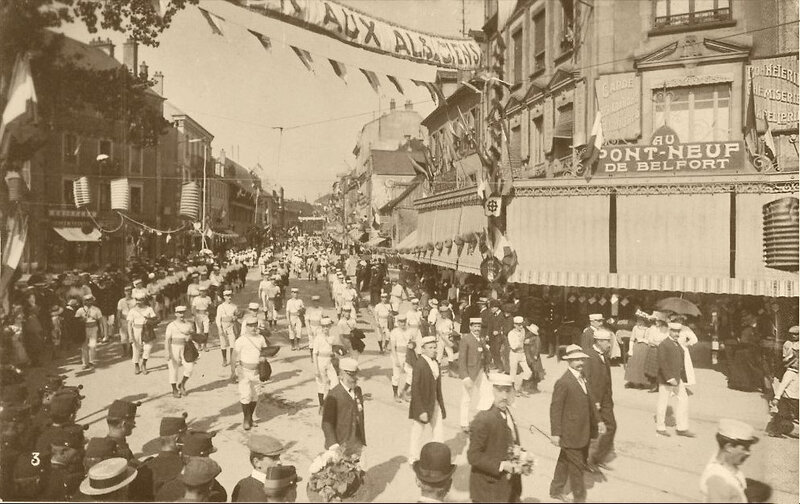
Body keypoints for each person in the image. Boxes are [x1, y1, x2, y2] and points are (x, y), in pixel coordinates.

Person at [549, 344, 598, 503]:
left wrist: (598, 421)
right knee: (577, 467)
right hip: (570, 432)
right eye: (576, 360)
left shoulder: (583, 377)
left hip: (583, 430)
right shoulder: (563, 382)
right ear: (568, 361)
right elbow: (555, 409)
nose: (580, 363)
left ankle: (555, 490)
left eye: (582, 359)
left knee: (564, 461)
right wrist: (556, 433)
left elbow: (590, 401)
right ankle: (579, 498)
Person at [467, 373, 522, 503]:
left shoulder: (506, 412)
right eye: (499, 391)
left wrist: (521, 457)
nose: (504, 396)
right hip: (488, 490)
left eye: (507, 391)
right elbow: (473, 456)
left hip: (507, 487)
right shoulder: (483, 419)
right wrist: (502, 465)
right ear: (490, 391)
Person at [699, 419, 761, 503]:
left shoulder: (726, 463)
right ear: (729, 447)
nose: (748, 453)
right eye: (745, 448)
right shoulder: (718, 481)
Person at [409, 336, 446, 465]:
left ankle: (437, 457)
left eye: (435, 347)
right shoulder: (420, 364)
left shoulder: (435, 362)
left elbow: (437, 387)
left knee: (438, 430)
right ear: (423, 349)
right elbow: (415, 389)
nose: (433, 350)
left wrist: (440, 404)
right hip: (423, 405)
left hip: (435, 402)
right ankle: (413, 457)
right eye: (430, 348)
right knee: (418, 431)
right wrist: (420, 410)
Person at [583, 328, 616, 470]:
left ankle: (597, 458)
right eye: (607, 342)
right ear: (599, 341)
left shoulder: (604, 356)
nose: (609, 344)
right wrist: (593, 401)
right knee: (589, 432)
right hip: (594, 401)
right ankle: (584, 461)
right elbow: (587, 381)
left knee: (611, 427)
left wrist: (609, 398)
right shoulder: (588, 356)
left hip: (606, 400)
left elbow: (607, 379)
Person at [656, 322, 695, 437]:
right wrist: (669, 378)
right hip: (666, 379)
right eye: (674, 331)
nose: (676, 334)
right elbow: (662, 362)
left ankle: (682, 428)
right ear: (669, 331)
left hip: (678, 378)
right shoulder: (664, 344)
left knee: (683, 400)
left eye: (678, 332)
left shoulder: (677, 344)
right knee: (663, 402)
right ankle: (660, 427)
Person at [321, 358, 366, 457]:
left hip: (357, 442)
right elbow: (326, 423)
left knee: (358, 470)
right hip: (340, 445)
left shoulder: (358, 391)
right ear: (341, 375)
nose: (354, 378)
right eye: (350, 375)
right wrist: (333, 445)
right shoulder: (333, 395)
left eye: (355, 374)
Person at [231, 434, 290, 502]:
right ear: (257, 462)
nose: (280, 462)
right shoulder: (256, 494)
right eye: (274, 458)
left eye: (278, 457)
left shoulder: (242, 483)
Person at [141, 414, 189, 496]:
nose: (188, 438)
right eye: (185, 435)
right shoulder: (184, 467)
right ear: (177, 439)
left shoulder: (146, 465)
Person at [233, 316, 267, 430]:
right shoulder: (241, 340)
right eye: (250, 325)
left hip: (257, 371)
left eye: (254, 325)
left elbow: (264, 351)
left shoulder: (261, 338)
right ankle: (246, 419)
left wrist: (263, 358)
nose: (253, 328)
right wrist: (234, 370)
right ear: (246, 327)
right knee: (245, 395)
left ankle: (250, 417)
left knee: (255, 396)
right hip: (244, 371)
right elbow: (234, 355)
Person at [459, 317, 491, 433]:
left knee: (487, 394)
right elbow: (461, 359)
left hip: (480, 372)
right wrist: (465, 376)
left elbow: (485, 355)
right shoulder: (466, 339)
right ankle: (464, 423)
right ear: (470, 327)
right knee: (466, 398)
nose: (477, 328)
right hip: (470, 373)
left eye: (479, 326)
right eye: (475, 326)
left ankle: (483, 421)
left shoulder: (481, 339)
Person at [165, 306, 196, 398]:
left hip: (186, 348)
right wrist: (167, 352)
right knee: (173, 369)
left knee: (190, 368)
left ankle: (182, 384)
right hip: (174, 347)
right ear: (176, 314)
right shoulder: (171, 325)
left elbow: (192, 334)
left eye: (183, 312)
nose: (181, 315)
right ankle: (174, 390)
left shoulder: (188, 324)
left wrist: (190, 337)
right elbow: (167, 339)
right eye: (179, 313)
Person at [128, 292, 159, 375]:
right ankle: (136, 365)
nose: (139, 302)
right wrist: (130, 336)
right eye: (137, 300)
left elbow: (154, 319)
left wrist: (149, 320)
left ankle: (144, 364)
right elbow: (129, 324)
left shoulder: (149, 309)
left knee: (148, 348)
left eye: (141, 300)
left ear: (144, 300)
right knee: (136, 348)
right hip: (136, 330)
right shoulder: (132, 311)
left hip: (147, 330)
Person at [313, 316, 339, 413]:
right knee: (321, 384)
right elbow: (314, 354)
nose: (325, 328)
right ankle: (322, 406)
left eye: (327, 326)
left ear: (330, 327)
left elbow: (334, 349)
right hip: (320, 361)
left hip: (329, 361)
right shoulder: (318, 338)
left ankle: (330, 403)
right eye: (323, 326)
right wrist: (316, 369)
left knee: (335, 382)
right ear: (321, 327)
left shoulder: (331, 338)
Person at [75, 294, 104, 370]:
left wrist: (102, 330)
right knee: (84, 347)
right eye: (86, 300)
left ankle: (92, 362)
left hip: (94, 328)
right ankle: (85, 363)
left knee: (92, 345)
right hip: (84, 329)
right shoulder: (80, 310)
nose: (88, 302)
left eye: (90, 300)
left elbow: (100, 321)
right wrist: (82, 320)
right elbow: (76, 320)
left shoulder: (96, 309)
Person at [624, 311, 651, 388]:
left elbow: (649, 340)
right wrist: (630, 350)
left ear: (644, 321)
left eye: (641, 319)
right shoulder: (635, 328)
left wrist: (643, 340)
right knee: (632, 363)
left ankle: (641, 382)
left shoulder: (648, 329)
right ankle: (631, 381)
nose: (639, 321)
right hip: (636, 347)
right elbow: (632, 339)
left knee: (641, 365)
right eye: (638, 319)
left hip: (644, 348)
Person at [389, 313, 413, 402]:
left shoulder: (409, 331)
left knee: (411, 373)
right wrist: (396, 360)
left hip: (407, 355)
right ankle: (395, 395)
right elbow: (392, 347)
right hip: (397, 355)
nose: (402, 324)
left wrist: (412, 345)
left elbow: (412, 342)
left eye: (404, 321)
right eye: (401, 322)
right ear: (397, 322)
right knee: (396, 376)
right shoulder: (394, 332)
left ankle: (404, 392)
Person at [507, 316, 533, 397]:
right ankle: (512, 390)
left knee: (528, 372)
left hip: (522, 354)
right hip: (514, 354)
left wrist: (526, 342)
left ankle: (522, 389)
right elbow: (513, 346)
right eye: (519, 325)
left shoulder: (523, 331)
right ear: (514, 325)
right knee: (513, 373)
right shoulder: (511, 333)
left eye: (522, 324)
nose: (521, 326)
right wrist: (522, 342)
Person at [215, 289, 240, 367]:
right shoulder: (220, 307)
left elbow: (237, 315)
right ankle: (224, 359)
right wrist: (219, 328)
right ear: (224, 297)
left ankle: (232, 360)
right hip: (223, 326)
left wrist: (235, 317)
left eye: (230, 296)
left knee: (232, 343)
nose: (229, 297)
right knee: (223, 344)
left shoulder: (234, 306)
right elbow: (218, 318)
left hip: (231, 326)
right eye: (227, 296)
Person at [434, 305, 457, 375]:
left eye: (446, 312)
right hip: (441, 338)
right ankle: (437, 370)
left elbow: (451, 330)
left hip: (448, 337)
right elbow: (440, 333)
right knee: (439, 354)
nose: (444, 314)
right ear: (440, 313)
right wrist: (447, 341)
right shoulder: (438, 321)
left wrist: (451, 338)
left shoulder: (449, 321)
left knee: (450, 353)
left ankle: (451, 371)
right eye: (442, 312)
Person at [191, 286, 213, 352]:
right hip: (198, 315)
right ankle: (199, 345)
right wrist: (194, 315)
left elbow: (212, 306)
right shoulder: (196, 299)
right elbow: (193, 307)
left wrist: (212, 307)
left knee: (206, 330)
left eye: (204, 291)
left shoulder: (208, 298)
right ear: (199, 292)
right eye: (201, 291)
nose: (203, 292)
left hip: (205, 314)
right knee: (199, 331)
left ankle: (205, 345)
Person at [116, 285, 135, 358]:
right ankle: (125, 352)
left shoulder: (135, 300)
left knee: (132, 336)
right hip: (123, 320)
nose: (128, 292)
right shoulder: (121, 301)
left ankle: (131, 351)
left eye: (130, 291)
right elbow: (119, 312)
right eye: (127, 291)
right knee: (123, 337)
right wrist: (118, 321)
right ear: (124, 292)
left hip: (132, 320)